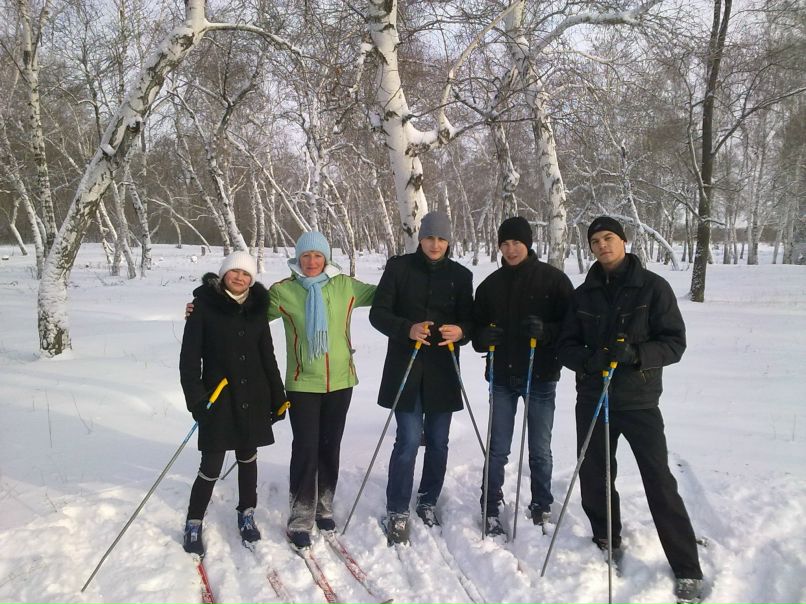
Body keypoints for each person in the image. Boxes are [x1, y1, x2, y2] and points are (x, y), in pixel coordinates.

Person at [557, 216, 703, 603]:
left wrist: (636, 354)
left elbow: (675, 343)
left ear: (623, 240)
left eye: (609, 238)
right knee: (595, 475)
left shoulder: (653, 288)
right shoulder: (583, 293)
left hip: (638, 401)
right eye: (594, 241)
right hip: (593, 397)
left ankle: (686, 566)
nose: (602, 246)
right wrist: (589, 361)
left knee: (658, 480)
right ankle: (606, 536)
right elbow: (565, 345)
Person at [369, 211, 474, 545]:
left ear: (449, 242)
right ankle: (398, 507)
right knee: (409, 439)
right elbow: (378, 313)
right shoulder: (399, 268)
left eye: (442, 239)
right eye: (430, 237)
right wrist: (407, 328)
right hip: (407, 366)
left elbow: (469, 322)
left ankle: (427, 499)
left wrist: (460, 330)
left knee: (439, 442)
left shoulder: (461, 275)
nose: (435, 244)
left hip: (443, 370)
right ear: (421, 238)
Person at [269, 231, 376, 550]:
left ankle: (324, 506)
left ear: (326, 258)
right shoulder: (282, 292)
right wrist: (204, 307)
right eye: (306, 256)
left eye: (317, 256)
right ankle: (301, 514)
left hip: (341, 382)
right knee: (306, 446)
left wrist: (404, 272)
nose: (312, 262)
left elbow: (387, 296)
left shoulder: (345, 286)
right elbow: (244, 314)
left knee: (330, 445)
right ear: (297, 259)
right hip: (302, 382)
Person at [179, 251, 288, 558]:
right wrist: (197, 400)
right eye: (234, 272)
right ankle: (194, 521)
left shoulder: (257, 309)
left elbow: (268, 356)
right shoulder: (203, 308)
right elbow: (189, 362)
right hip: (218, 399)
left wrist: (277, 396)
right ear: (224, 274)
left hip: (253, 397)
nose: (240, 278)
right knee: (210, 466)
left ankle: (247, 513)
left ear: (252, 279)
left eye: (246, 274)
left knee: (248, 459)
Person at [472, 216, 573, 538]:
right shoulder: (490, 285)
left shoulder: (553, 280)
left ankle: (541, 502)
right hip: (502, 376)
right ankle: (490, 503)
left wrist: (547, 332)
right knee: (498, 446)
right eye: (505, 243)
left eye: (516, 242)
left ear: (528, 243)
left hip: (540, 375)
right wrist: (484, 337)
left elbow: (571, 327)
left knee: (540, 448)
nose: (511, 249)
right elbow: (475, 331)